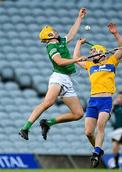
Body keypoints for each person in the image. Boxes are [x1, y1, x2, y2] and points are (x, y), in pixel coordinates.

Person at [19, 8, 87, 140]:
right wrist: (77, 59)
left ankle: (47, 123)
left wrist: (79, 18)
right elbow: (59, 61)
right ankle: (25, 128)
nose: (55, 31)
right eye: (53, 31)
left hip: (67, 80)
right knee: (48, 103)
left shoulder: (60, 41)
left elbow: (72, 34)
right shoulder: (51, 47)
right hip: (58, 78)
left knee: (78, 113)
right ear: (50, 36)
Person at [73, 23, 122, 168]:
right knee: (89, 132)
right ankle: (99, 150)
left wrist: (115, 34)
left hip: (106, 100)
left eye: (93, 51)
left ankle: (96, 153)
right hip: (93, 100)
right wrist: (78, 43)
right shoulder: (90, 65)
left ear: (101, 53)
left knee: (100, 126)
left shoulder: (111, 61)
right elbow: (76, 57)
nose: (91, 53)